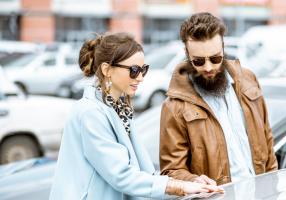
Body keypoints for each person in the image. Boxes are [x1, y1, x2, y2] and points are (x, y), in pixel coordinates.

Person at [49, 32, 223, 200]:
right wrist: (178, 186)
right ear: (107, 69)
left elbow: (142, 172)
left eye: (143, 70)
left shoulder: (119, 108)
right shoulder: (90, 113)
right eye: (133, 70)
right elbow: (121, 175)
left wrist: (188, 182)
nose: (140, 77)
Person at [159, 12, 278, 186]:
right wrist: (193, 180)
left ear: (223, 47)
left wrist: (273, 186)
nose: (208, 67)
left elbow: (267, 142)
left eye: (215, 58)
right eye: (198, 61)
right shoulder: (174, 106)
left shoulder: (248, 80)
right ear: (186, 53)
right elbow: (171, 171)